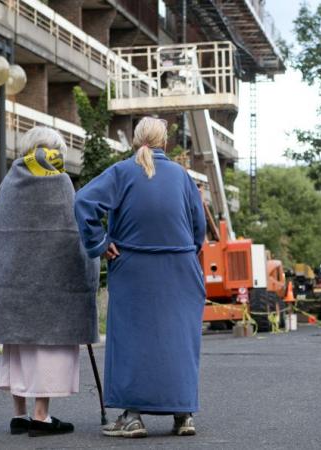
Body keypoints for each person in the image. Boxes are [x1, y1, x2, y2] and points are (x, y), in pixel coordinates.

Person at [74, 117, 206, 438]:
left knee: (133, 340)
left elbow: (83, 201)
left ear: (136, 141)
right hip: (179, 266)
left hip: (134, 266)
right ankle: (183, 413)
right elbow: (199, 227)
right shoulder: (181, 176)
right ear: (164, 142)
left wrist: (100, 243)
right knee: (178, 340)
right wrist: (184, 251)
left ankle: (132, 416)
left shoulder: (122, 172)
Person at [0, 126, 99, 437]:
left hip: (12, 287)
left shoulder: (9, 183)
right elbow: (76, 232)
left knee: (17, 349)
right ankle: (41, 416)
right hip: (53, 290)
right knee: (47, 350)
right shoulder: (59, 182)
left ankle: (19, 415)